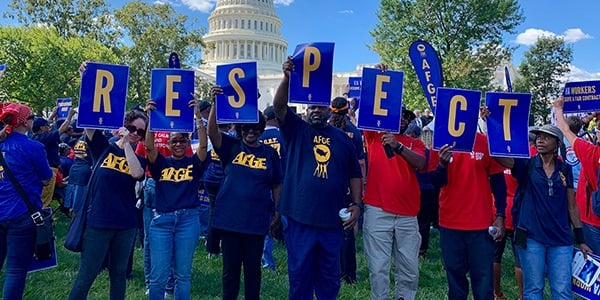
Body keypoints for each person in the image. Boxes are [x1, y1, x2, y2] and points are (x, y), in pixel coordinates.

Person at [272, 56, 363, 299]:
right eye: (311, 107)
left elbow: (355, 174)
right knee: (300, 277)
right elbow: (279, 107)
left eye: (320, 107)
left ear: (328, 110)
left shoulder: (344, 139)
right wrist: (286, 78)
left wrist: (356, 204)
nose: (315, 110)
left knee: (328, 279)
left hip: (332, 221)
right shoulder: (296, 130)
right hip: (300, 219)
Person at [69, 61, 147, 299]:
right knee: (87, 275)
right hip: (98, 222)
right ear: (123, 124)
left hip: (125, 224)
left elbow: (136, 174)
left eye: (140, 132)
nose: (134, 133)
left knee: (119, 275)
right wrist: (87, 82)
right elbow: (90, 123)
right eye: (131, 127)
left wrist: (127, 146)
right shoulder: (102, 147)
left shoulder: (139, 155)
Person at [208, 86, 283, 300]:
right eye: (247, 130)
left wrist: (278, 211)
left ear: (261, 130)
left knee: (253, 271)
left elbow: (276, 184)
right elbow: (213, 133)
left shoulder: (269, 153)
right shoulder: (231, 146)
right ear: (240, 130)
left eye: (256, 129)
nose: (251, 133)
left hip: (256, 221)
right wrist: (215, 103)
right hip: (230, 220)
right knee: (230, 272)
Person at [511, 123, 592, 299]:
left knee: (562, 290)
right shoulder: (527, 165)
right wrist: (492, 125)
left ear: (557, 144)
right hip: (532, 237)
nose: (540, 140)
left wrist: (581, 240)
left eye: (546, 137)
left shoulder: (565, 169)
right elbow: (504, 160)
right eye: (538, 137)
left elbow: (572, 206)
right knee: (533, 289)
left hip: (561, 239)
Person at [432, 131, 508, 300]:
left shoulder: (484, 141)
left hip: (480, 224)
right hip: (450, 223)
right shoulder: (440, 141)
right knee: (455, 279)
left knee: (483, 281)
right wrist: (442, 165)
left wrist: (500, 215)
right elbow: (435, 182)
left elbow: (498, 182)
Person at [144, 99, 208, 300]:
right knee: (158, 277)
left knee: (183, 275)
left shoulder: (194, 163)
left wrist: (198, 117)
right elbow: (149, 147)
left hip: (188, 221)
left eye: (182, 140)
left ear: (188, 142)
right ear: (169, 145)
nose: (179, 144)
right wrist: (150, 118)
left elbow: (205, 146)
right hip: (162, 222)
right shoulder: (161, 163)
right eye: (174, 141)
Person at [362, 95, 425, 299]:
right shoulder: (373, 136)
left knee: (409, 268)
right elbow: (368, 108)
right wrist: (381, 83)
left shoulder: (414, 143)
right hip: (378, 209)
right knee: (378, 267)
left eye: (406, 117)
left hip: (407, 213)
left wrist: (398, 147)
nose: (403, 120)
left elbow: (421, 163)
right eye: (398, 116)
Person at [0, 103, 53, 299]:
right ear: (25, 122)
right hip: (22, 214)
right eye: (31, 116)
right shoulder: (33, 146)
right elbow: (47, 177)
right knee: (15, 270)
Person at [328, 97, 367, 285]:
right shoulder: (355, 133)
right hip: (347, 188)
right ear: (347, 110)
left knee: (325, 229)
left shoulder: (322, 130)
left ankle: (329, 270)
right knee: (347, 230)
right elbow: (360, 163)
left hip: (326, 185)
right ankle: (349, 274)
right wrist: (361, 187)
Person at [30, 106, 77, 207]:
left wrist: (53, 114)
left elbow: (47, 124)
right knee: (45, 199)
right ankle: (42, 217)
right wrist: (69, 116)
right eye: (47, 126)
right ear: (42, 128)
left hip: (42, 169)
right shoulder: (45, 138)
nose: (49, 127)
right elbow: (61, 129)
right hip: (49, 170)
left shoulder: (34, 136)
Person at [258, 105, 285, 271]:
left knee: (265, 223)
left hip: (262, 183)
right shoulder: (283, 136)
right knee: (288, 219)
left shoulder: (257, 136)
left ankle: (267, 261)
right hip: (283, 182)